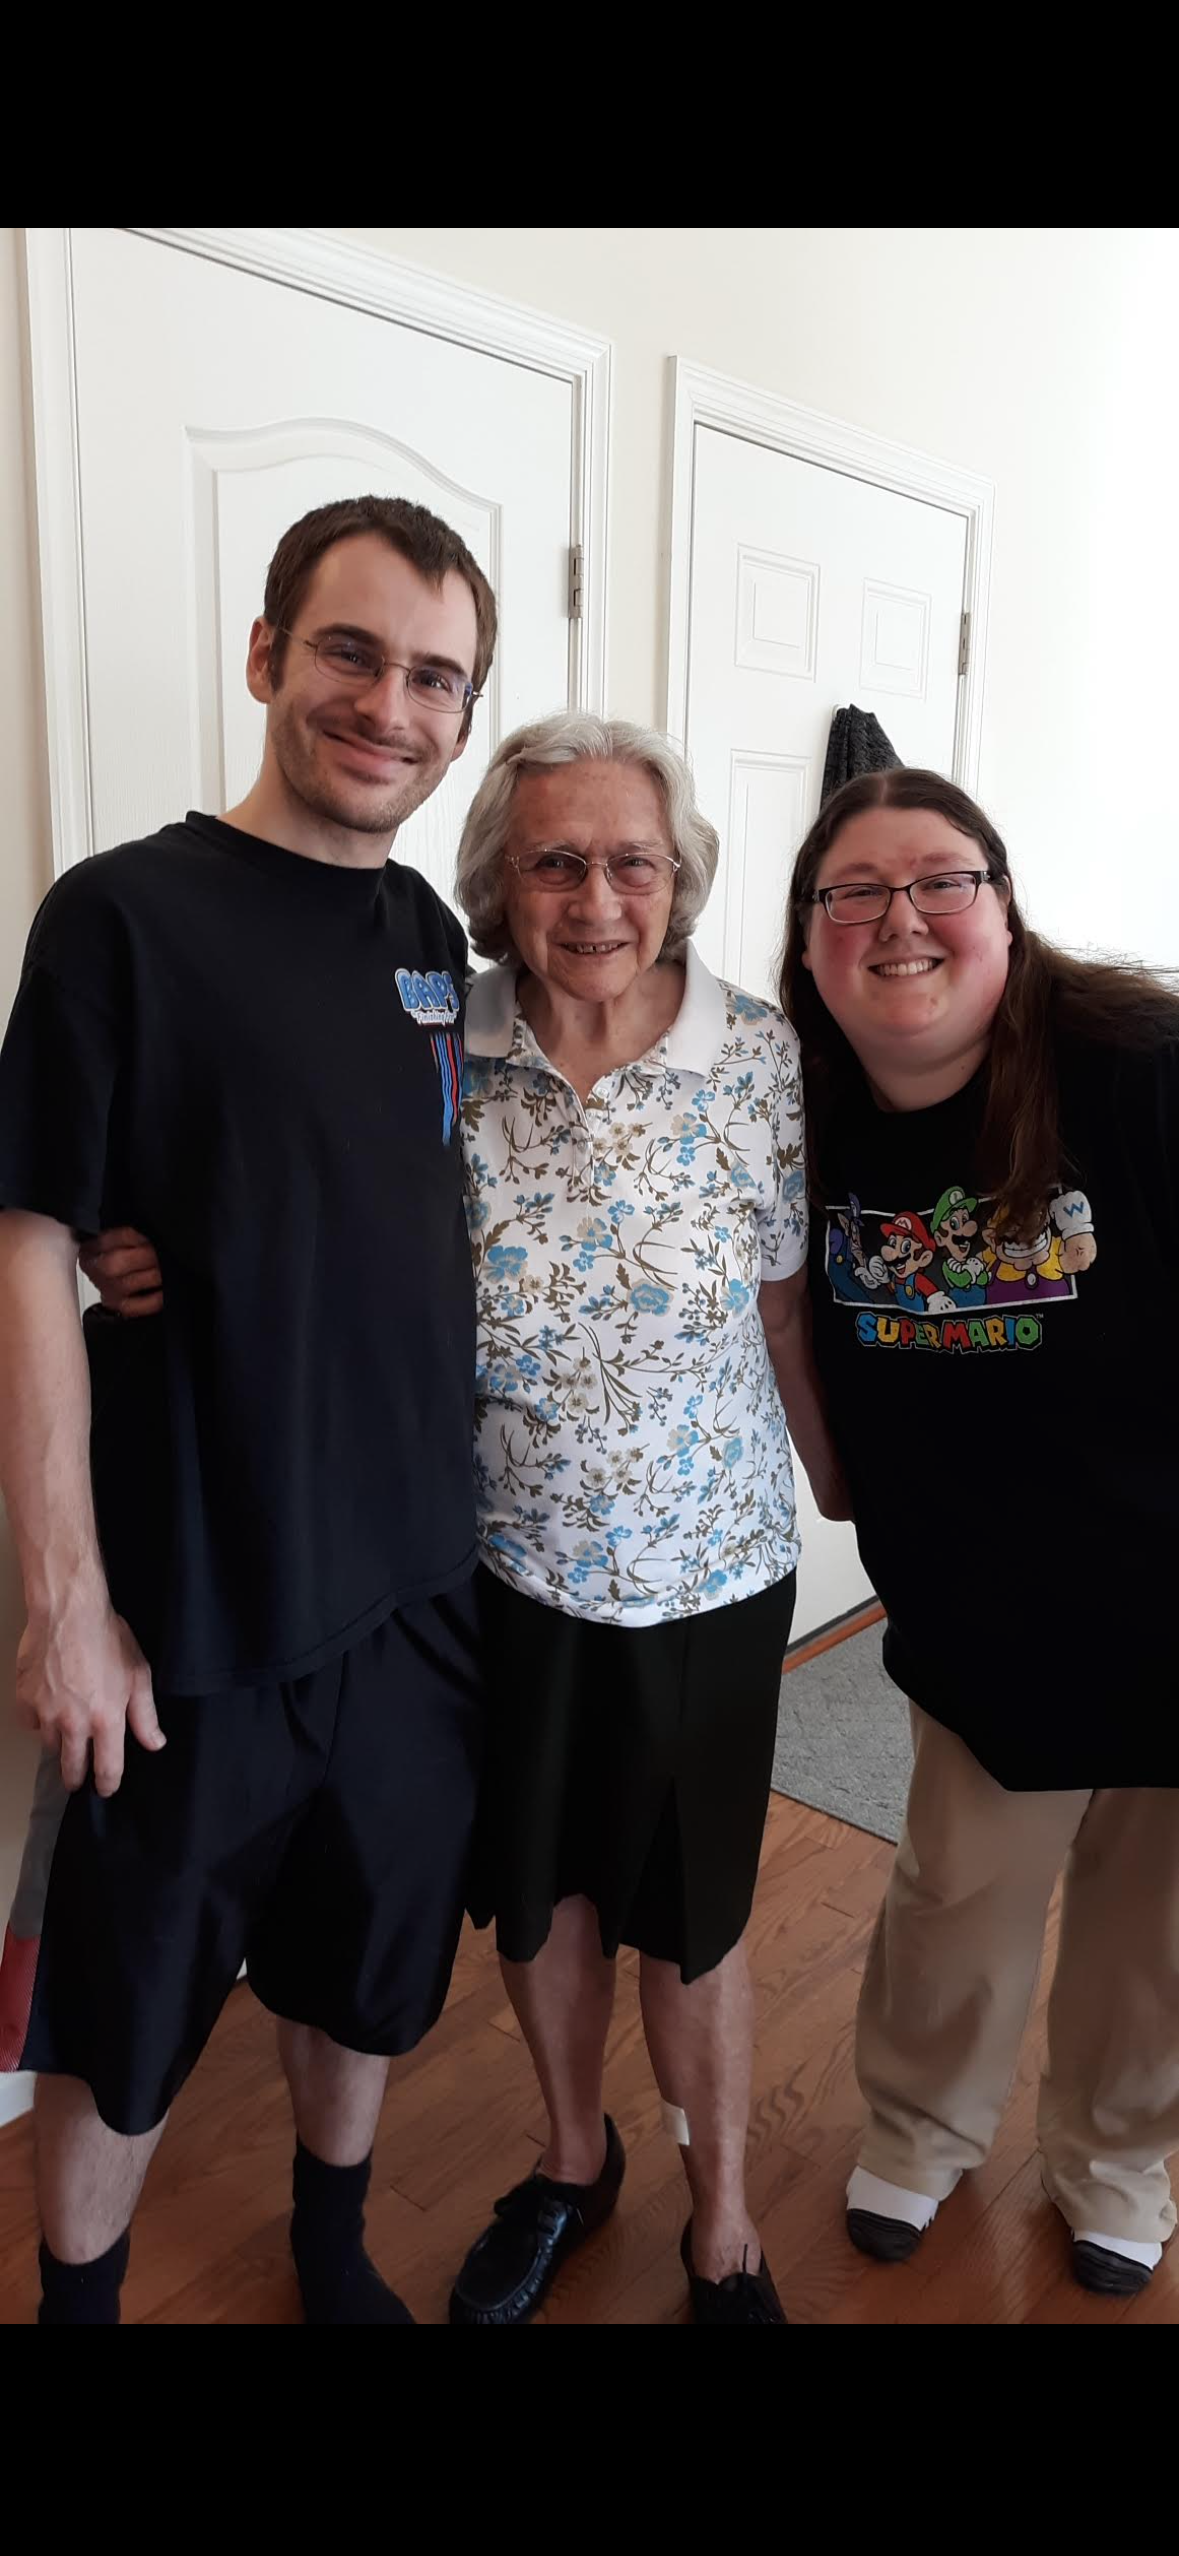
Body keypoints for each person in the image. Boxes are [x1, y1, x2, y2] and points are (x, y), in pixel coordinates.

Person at [89, 714, 850, 2327]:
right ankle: (573, 2164)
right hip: (488, 1562)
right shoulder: (438, 1026)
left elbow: (786, 1307)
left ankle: (723, 2216)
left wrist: (852, 1498)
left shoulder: (758, 1052)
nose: (593, 898)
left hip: (706, 1564)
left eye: (629, 861)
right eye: (551, 861)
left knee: (694, 1915)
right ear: (497, 885)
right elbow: (299, 1191)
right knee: (542, 1895)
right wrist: (129, 1244)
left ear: (680, 878)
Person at [0, 494, 498, 2326]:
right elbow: (31, 1242)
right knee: (127, 2000)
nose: (391, 704)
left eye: (435, 675)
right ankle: (73, 2302)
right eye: (354, 652)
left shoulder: (433, 933)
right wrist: (67, 1603)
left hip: (417, 1589)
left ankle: (332, 2238)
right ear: (269, 654)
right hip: (195, 1598)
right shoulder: (122, 913)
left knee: (368, 1966)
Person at [780, 765, 1179, 2297]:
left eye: (940, 879)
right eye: (852, 891)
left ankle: (1117, 2158)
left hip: (1167, 1592)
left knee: (1152, 1921)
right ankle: (922, 2126)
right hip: (977, 1603)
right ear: (809, 937)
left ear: (1004, 908)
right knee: (957, 1892)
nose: (899, 919)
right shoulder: (795, 1101)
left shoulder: (1133, 1069)